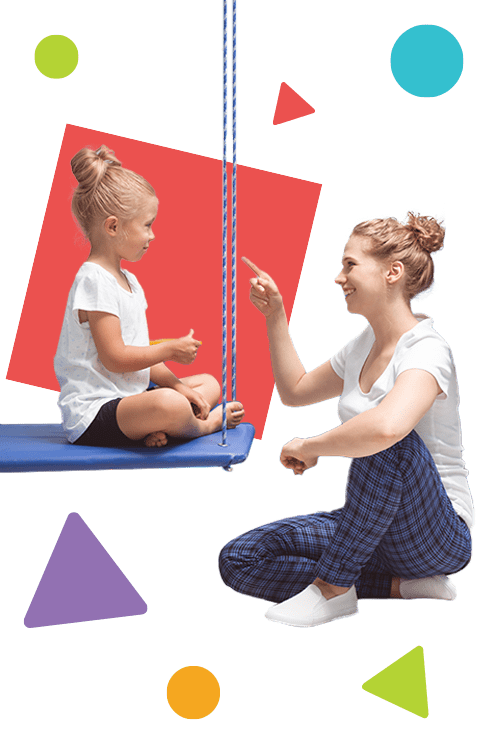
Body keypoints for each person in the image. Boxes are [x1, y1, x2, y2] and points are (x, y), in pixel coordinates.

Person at [218, 211, 474, 628]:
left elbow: (388, 428)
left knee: (390, 440)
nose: (339, 277)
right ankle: (402, 587)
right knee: (240, 558)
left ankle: (332, 590)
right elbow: (295, 390)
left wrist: (310, 446)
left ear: (392, 272)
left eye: (349, 265)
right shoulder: (365, 343)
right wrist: (275, 316)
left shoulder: (427, 351)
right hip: (373, 524)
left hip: (435, 534)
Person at [54, 145, 244, 447]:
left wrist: (179, 385)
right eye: (146, 225)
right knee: (169, 405)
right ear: (113, 226)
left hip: (130, 398)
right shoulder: (93, 280)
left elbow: (140, 355)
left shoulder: (128, 281)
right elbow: (116, 358)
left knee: (207, 384)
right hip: (94, 411)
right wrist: (169, 350)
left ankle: (159, 427)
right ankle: (205, 425)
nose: (152, 235)